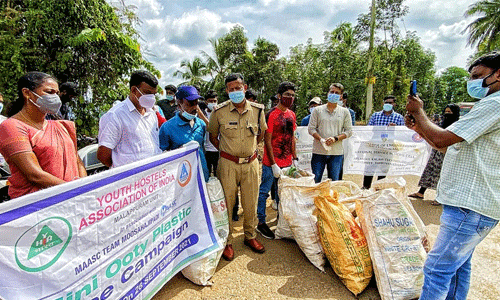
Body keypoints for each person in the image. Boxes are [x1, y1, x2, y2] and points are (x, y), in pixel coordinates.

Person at [405, 51, 500, 300]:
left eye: (478, 76)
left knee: (436, 269)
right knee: (458, 268)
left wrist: (420, 112)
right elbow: (444, 146)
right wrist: (419, 125)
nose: (473, 83)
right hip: (478, 206)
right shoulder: (490, 105)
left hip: (469, 206)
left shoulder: (495, 104)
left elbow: (440, 138)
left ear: (498, 73)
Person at [208, 73, 267, 261]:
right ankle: (227, 241)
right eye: (231, 89)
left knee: (251, 202)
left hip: (250, 164)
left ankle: (250, 235)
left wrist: (248, 152)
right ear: (226, 91)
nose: (235, 91)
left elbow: (261, 135)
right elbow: (213, 137)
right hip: (227, 165)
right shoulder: (219, 112)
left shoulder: (258, 111)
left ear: (245, 87)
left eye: (238, 88)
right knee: (227, 203)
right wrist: (228, 153)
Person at [0, 72, 86, 199]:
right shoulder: (12, 127)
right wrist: (74, 191)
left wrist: (85, 188)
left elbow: (77, 162)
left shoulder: (62, 126)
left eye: (56, 93)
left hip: (71, 203)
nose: (55, 97)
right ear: (27, 93)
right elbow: (34, 175)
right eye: (49, 92)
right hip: (37, 207)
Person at [257, 82, 297, 239]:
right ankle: (261, 222)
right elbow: (267, 140)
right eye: (287, 95)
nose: (290, 98)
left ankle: (281, 221)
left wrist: (295, 158)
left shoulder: (291, 115)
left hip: (287, 162)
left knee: (283, 194)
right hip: (270, 163)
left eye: (293, 95)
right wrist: (273, 163)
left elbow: (292, 137)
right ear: (279, 96)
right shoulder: (272, 114)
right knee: (264, 192)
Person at [97, 70, 161, 168]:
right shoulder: (115, 116)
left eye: (153, 94)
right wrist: (122, 170)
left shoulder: (151, 113)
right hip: (131, 179)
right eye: (147, 93)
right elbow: (103, 155)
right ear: (134, 90)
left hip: (152, 176)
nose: (151, 98)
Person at [409, 104, 460, 204]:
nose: (447, 114)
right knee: (429, 171)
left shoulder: (457, 125)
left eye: (450, 112)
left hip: (447, 153)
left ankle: (440, 198)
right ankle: (421, 192)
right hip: (436, 153)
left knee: (443, 175)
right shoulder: (441, 123)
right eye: (446, 112)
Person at [159, 86, 209, 182]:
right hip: (181, 180)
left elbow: (202, 148)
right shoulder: (167, 128)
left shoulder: (201, 124)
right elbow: (163, 157)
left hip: (202, 176)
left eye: (196, 103)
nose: (195, 107)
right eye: (190, 103)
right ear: (179, 104)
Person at [308, 83, 352, 183]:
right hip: (319, 151)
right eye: (332, 92)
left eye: (337, 93)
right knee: (316, 181)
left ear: (341, 96)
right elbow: (311, 129)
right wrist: (321, 139)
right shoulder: (317, 110)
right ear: (328, 93)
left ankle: (331, 199)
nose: (333, 94)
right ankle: (316, 199)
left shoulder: (345, 112)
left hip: (336, 153)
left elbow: (349, 131)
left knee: (334, 182)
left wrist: (335, 138)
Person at [363, 95, 405, 189]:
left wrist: (395, 129)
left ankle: (378, 189)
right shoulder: (375, 115)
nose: (388, 104)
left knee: (383, 170)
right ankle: (366, 188)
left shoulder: (399, 118)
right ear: (383, 103)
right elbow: (368, 130)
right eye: (386, 102)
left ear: (394, 104)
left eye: (390, 103)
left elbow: (402, 134)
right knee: (369, 168)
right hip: (374, 146)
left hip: (388, 148)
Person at [204, 90, 219, 177]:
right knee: (207, 174)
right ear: (206, 101)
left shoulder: (220, 114)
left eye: (214, 101)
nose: (213, 103)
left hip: (218, 149)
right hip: (207, 150)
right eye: (210, 101)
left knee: (219, 175)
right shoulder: (202, 114)